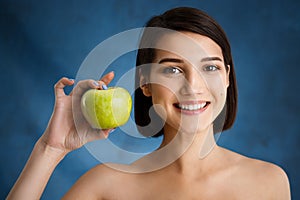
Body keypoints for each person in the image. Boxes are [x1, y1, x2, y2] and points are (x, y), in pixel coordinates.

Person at [7, 7, 290, 199]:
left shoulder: (269, 181)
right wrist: (50, 149)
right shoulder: (107, 186)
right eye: (173, 70)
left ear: (227, 77)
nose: (193, 86)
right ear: (144, 82)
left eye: (210, 67)